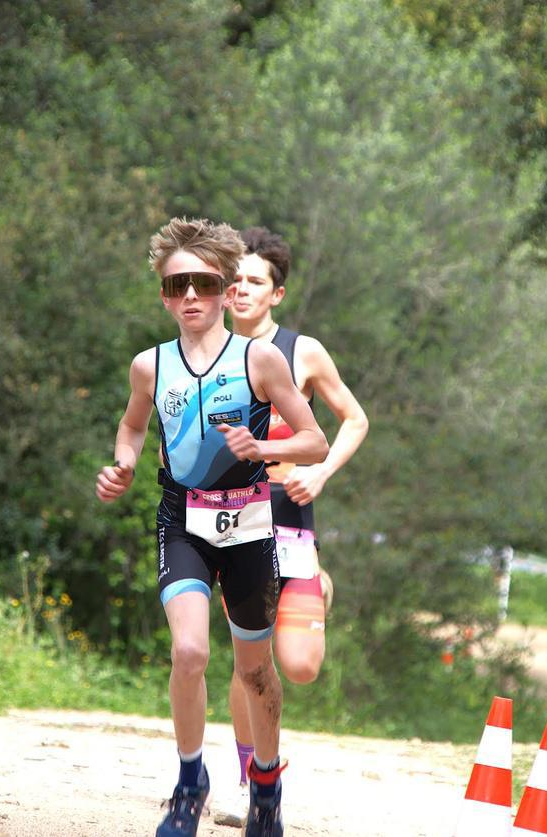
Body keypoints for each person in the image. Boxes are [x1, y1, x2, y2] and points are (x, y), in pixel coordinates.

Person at [95, 217, 328, 837]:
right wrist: (123, 464)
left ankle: (268, 786)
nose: (189, 296)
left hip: (251, 525)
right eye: (176, 286)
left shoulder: (259, 359)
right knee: (191, 651)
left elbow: (315, 440)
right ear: (164, 295)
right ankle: (189, 781)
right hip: (184, 519)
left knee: (254, 671)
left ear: (226, 290)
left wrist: (260, 449)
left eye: (202, 283)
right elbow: (133, 426)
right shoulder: (150, 365)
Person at [213, 226, 369, 827]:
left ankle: (317, 585)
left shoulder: (303, 351)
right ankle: (254, 784)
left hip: (291, 519)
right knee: (249, 661)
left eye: (255, 281)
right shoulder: (207, 353)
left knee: (299, 665)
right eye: (235, 280)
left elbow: (353, 419)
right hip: (233, 521)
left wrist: (322, 472)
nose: (241, 289)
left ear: (276, 293)